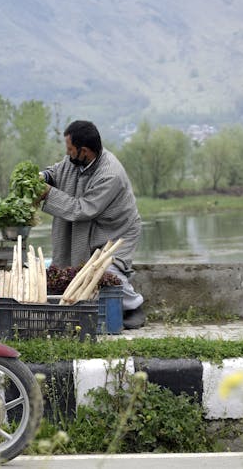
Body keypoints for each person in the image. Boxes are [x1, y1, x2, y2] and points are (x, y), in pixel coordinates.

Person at [40, 120, 146, 329]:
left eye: (71, 150)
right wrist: (42, 178)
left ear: (85, 151)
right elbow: (55, 171)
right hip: (91, 228)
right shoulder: (74, 161)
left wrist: (48, 194)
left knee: (105, 271)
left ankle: (134, 307)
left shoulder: (109, 174)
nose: (68, 153)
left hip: (117, 232)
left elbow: (82, 209)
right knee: (75, 271)